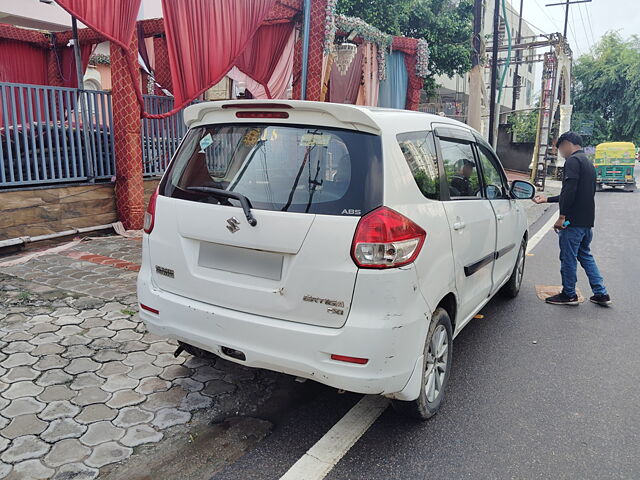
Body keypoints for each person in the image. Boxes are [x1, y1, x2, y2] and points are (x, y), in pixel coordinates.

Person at [533, 132, 611, 306]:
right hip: (586, 223)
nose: (560, 152)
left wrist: (562, 217)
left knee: (568, 258)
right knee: (585, 255)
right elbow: (576, 192)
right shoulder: (588, 163)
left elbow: (570, 191)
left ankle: (569, 294)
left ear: (567, 144)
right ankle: (601, 292)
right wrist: (547, 199)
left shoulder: (573, 161)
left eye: (560, 148)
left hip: (572, 222)